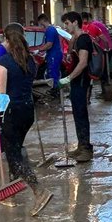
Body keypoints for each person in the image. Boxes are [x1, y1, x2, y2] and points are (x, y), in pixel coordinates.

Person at [0, 24, 51, 216]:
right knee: (15, 149)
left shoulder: (4, 61)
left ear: (8, 41)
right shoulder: (30, 60)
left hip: (11, 112)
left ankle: (39, 191)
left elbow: (0, 93)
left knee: (14, 155)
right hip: (27, 111)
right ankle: (11, 193)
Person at [60, 12, 95, 162]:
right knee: (77, 113)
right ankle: (81, 146)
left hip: (81, 81)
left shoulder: (84, 39)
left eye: (67, 23)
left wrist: (68, 78)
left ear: (75, 22)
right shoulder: (77, 38)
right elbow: (71, 55)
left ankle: (86, 149)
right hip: (76, 82)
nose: (65, 26)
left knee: (81, 114)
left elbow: (83, 63)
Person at [36, 13, 63, 92]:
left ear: (43, 20)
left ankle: (55, 91)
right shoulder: (51, 29)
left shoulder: (50, 30)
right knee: (53, 73)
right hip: (53, 54)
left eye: (41, 23)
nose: (41, 26)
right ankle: (55, 90)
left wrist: (39, 50)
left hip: (54, 55)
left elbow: (49, 44)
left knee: (53, 74)